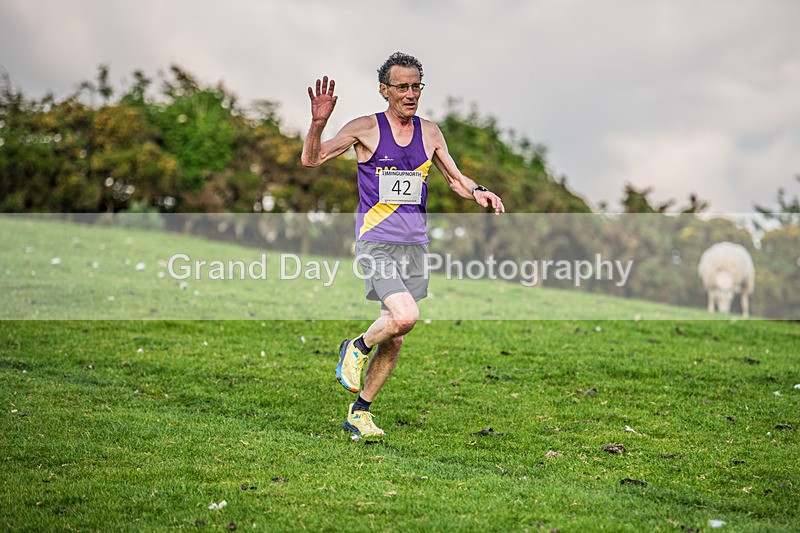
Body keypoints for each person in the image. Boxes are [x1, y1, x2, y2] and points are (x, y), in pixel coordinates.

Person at [301, 52, 504, 438]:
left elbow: (455, 179)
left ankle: (360, 412)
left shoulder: (431, 133)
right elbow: (312, 160)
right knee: (405, 315)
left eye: (416, 86)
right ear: (384, 90)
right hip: (376, 241)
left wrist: (478, 192)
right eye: (402, 87)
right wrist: (317, 124)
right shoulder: (365, 128)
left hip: (414, 246)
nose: (410, 94)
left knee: (395, 339)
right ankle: (356, 347)